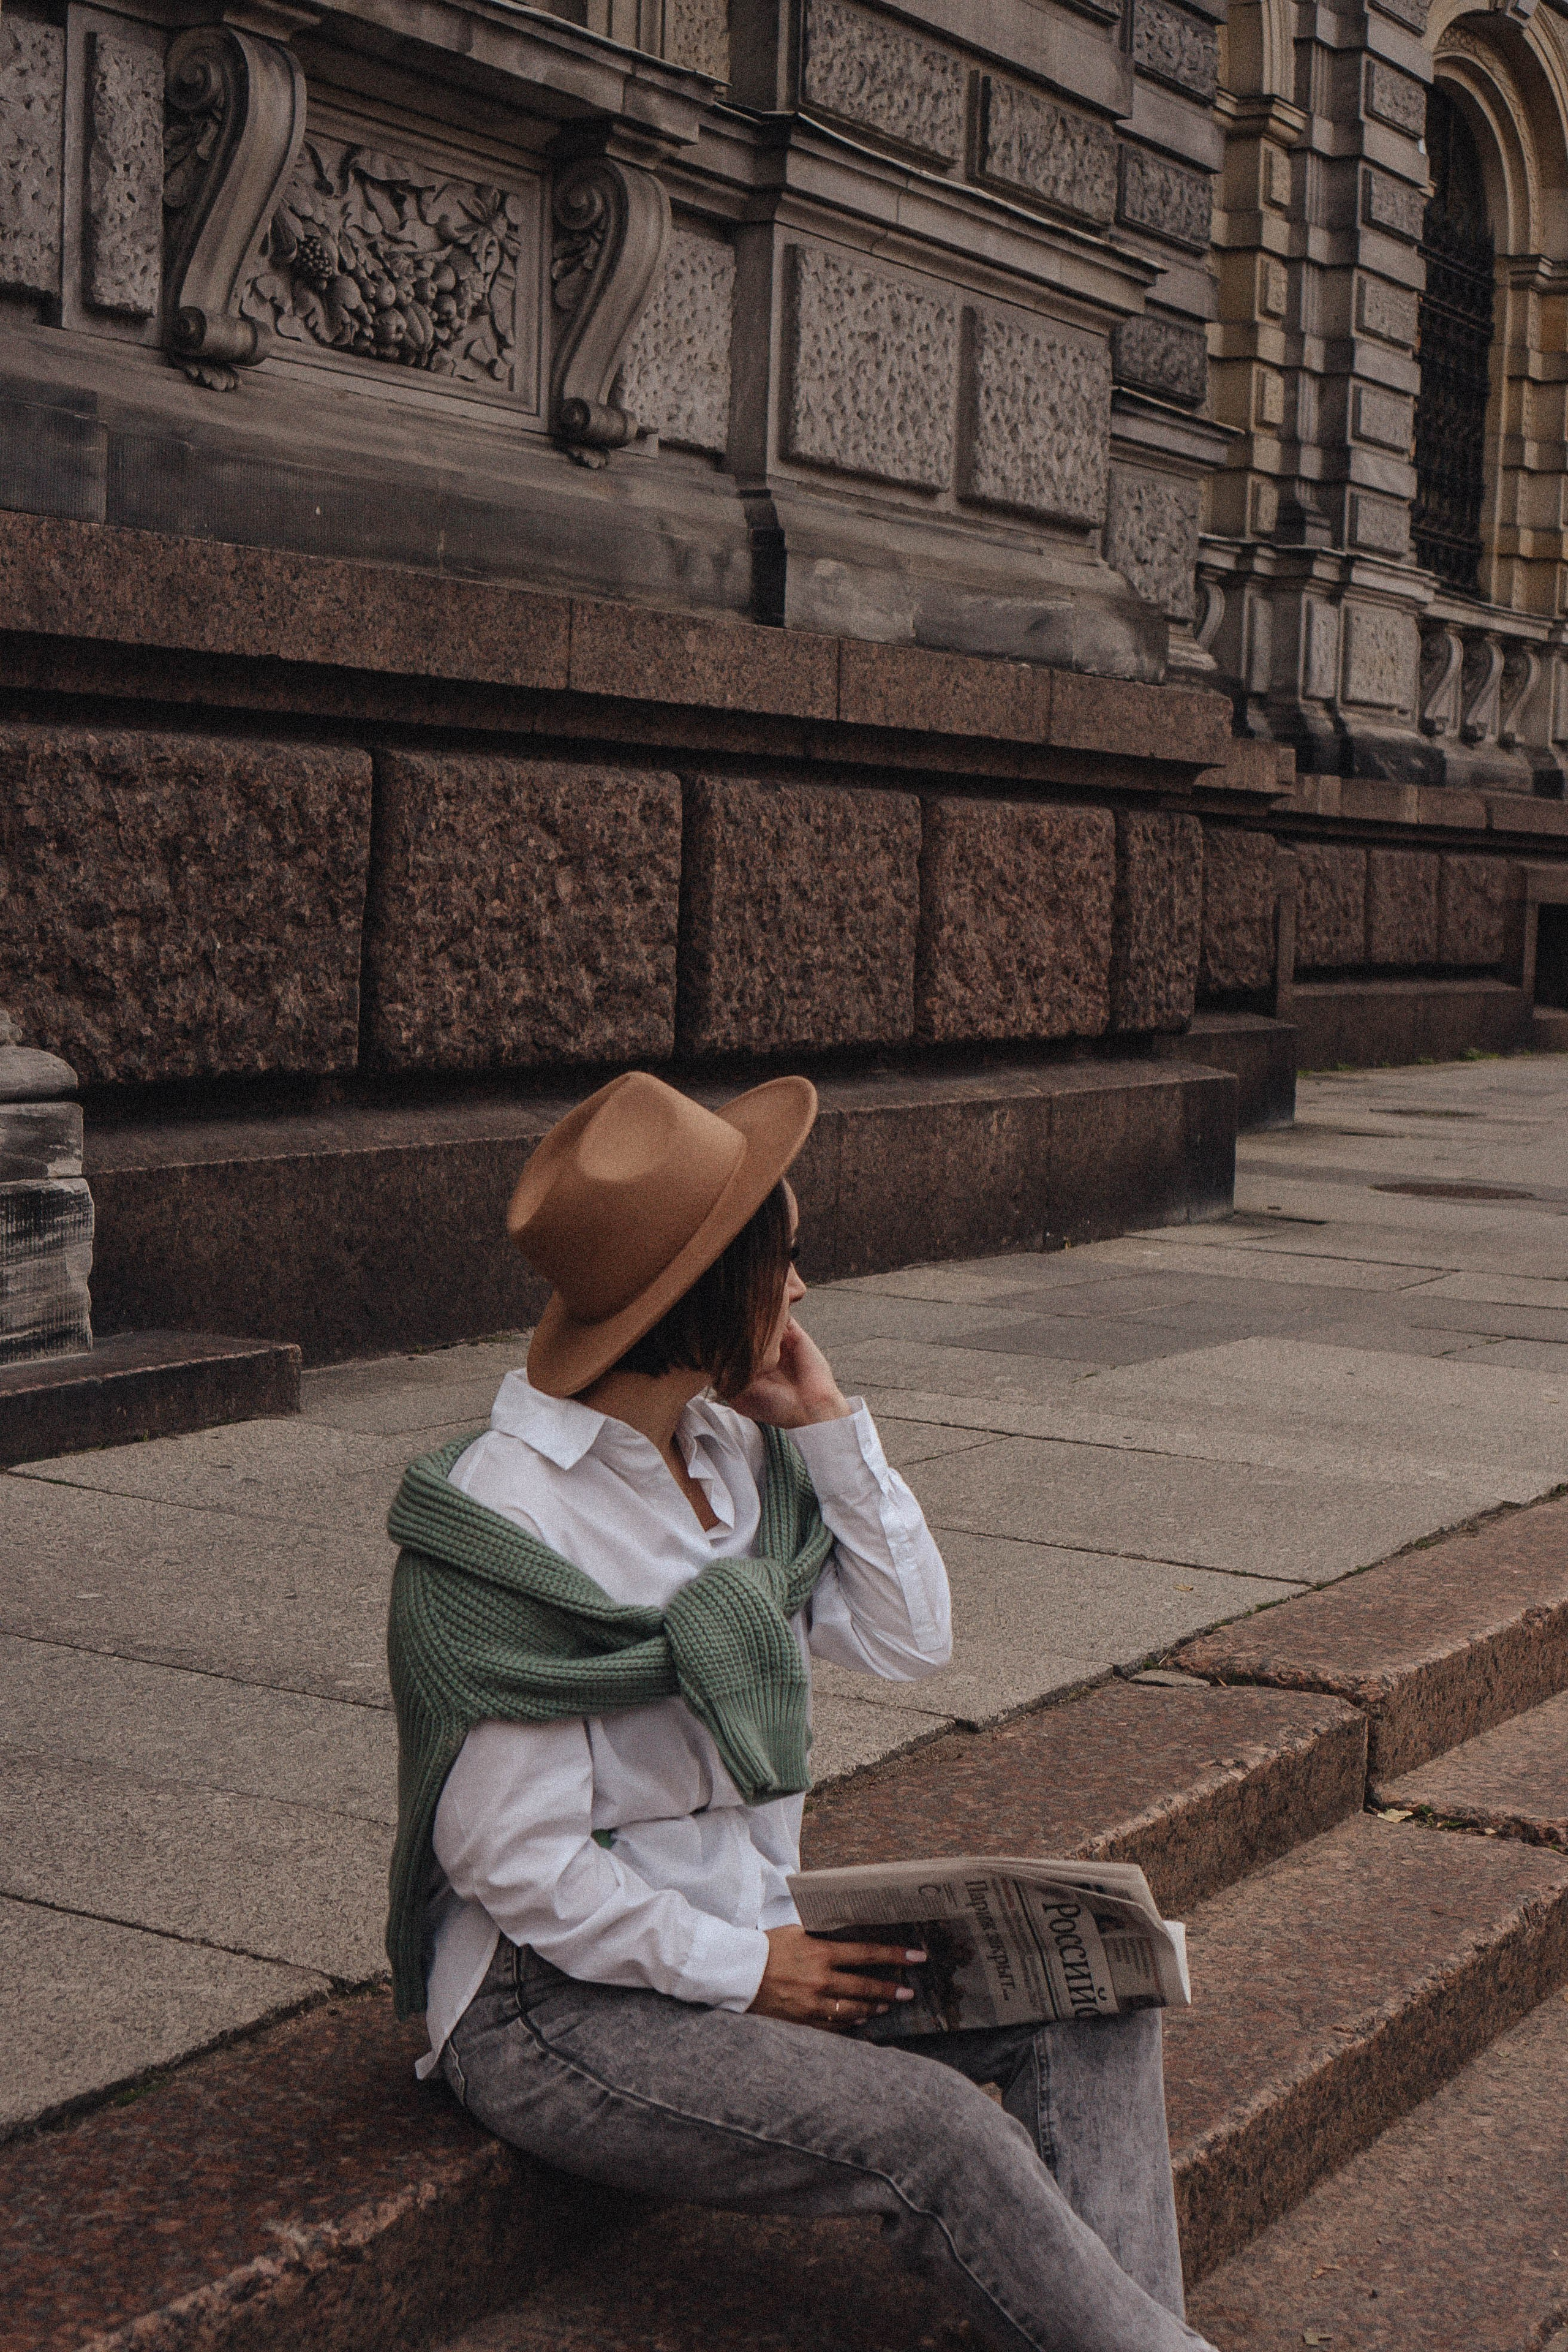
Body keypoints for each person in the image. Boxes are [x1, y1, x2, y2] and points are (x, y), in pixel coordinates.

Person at [385, 1071, 1216, 2352]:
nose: (802, 1289)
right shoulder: (506, 1523)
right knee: (935, 2132)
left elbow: (909, 1634)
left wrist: (827, 1429)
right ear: (701, 1287)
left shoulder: (736, 1457)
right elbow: (508, 1859)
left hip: (743, 1926)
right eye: (784, 1258)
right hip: (557, 2007)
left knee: (1098, 2002)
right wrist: (742, 1971)